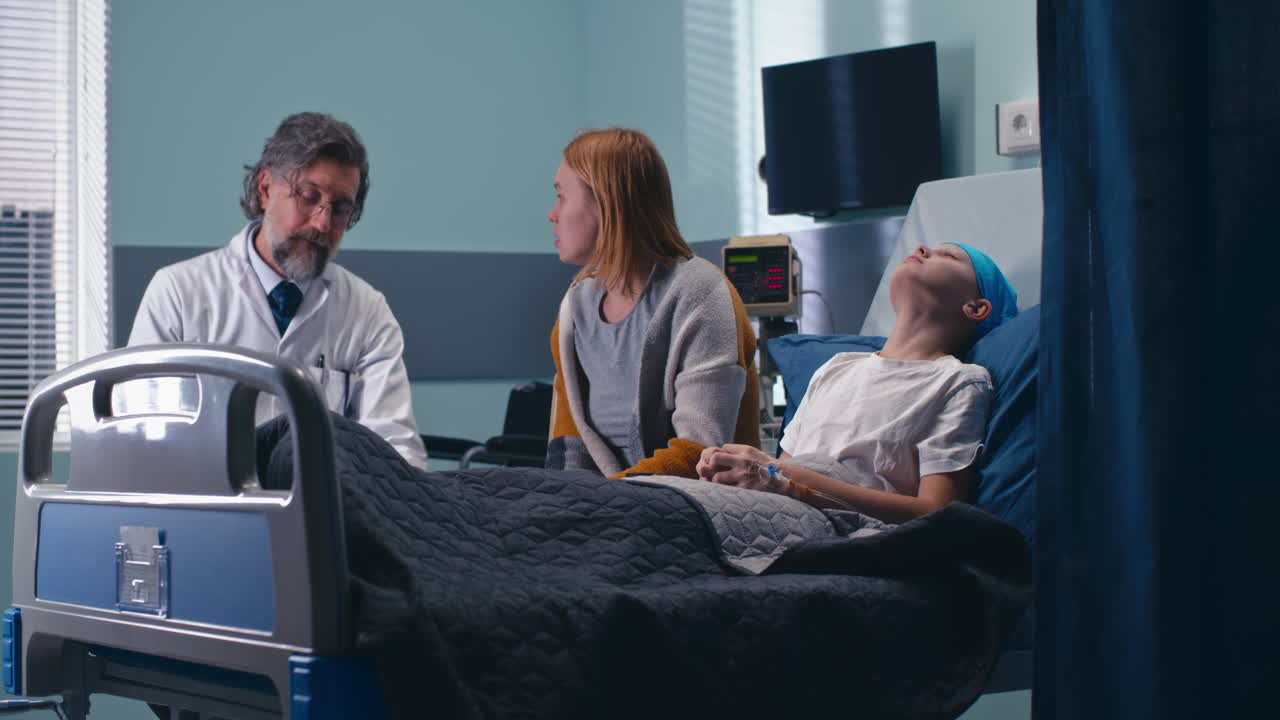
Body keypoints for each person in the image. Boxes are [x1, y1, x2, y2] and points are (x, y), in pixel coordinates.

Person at [128, 112, 427, 470]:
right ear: (266, 189)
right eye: (308, 196)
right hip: (209, 510)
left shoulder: (367, 310)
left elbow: (397, 449)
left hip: (328, 515)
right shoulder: (178, 293)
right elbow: (141, 435)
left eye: (340, 209)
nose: (321, 223)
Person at [696, 242, 1019, 524]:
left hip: (842, 531)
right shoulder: (836, 367)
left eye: (948, 255)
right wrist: (733, 471)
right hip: (775, 514)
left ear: (976, 308)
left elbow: (934, 511)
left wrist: (787, 482)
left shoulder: (958, 382)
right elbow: (774, 474)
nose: (922, 249)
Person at [545, 127, 759, 479]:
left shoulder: (701, 295)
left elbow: (699, 455)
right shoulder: (575, 309)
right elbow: (569, 449)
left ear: (604, 201)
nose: (552, 214)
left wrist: (601, 501)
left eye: (561, 196)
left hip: (693, 507)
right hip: (609, 509)